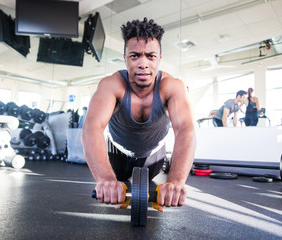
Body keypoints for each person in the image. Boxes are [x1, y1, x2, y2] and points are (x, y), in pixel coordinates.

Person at [81, 18, 196, 212]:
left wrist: (175, 182)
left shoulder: (172, 87)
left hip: (154, 156)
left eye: (150, 56)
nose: (143, 64)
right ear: (125, 57)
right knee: (117, 186)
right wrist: (106, 180)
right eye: (135, 56)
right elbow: (91, 128)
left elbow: (186, 130)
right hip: (117, 155)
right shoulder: (112, 85)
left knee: (152, 188)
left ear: (159, 57)